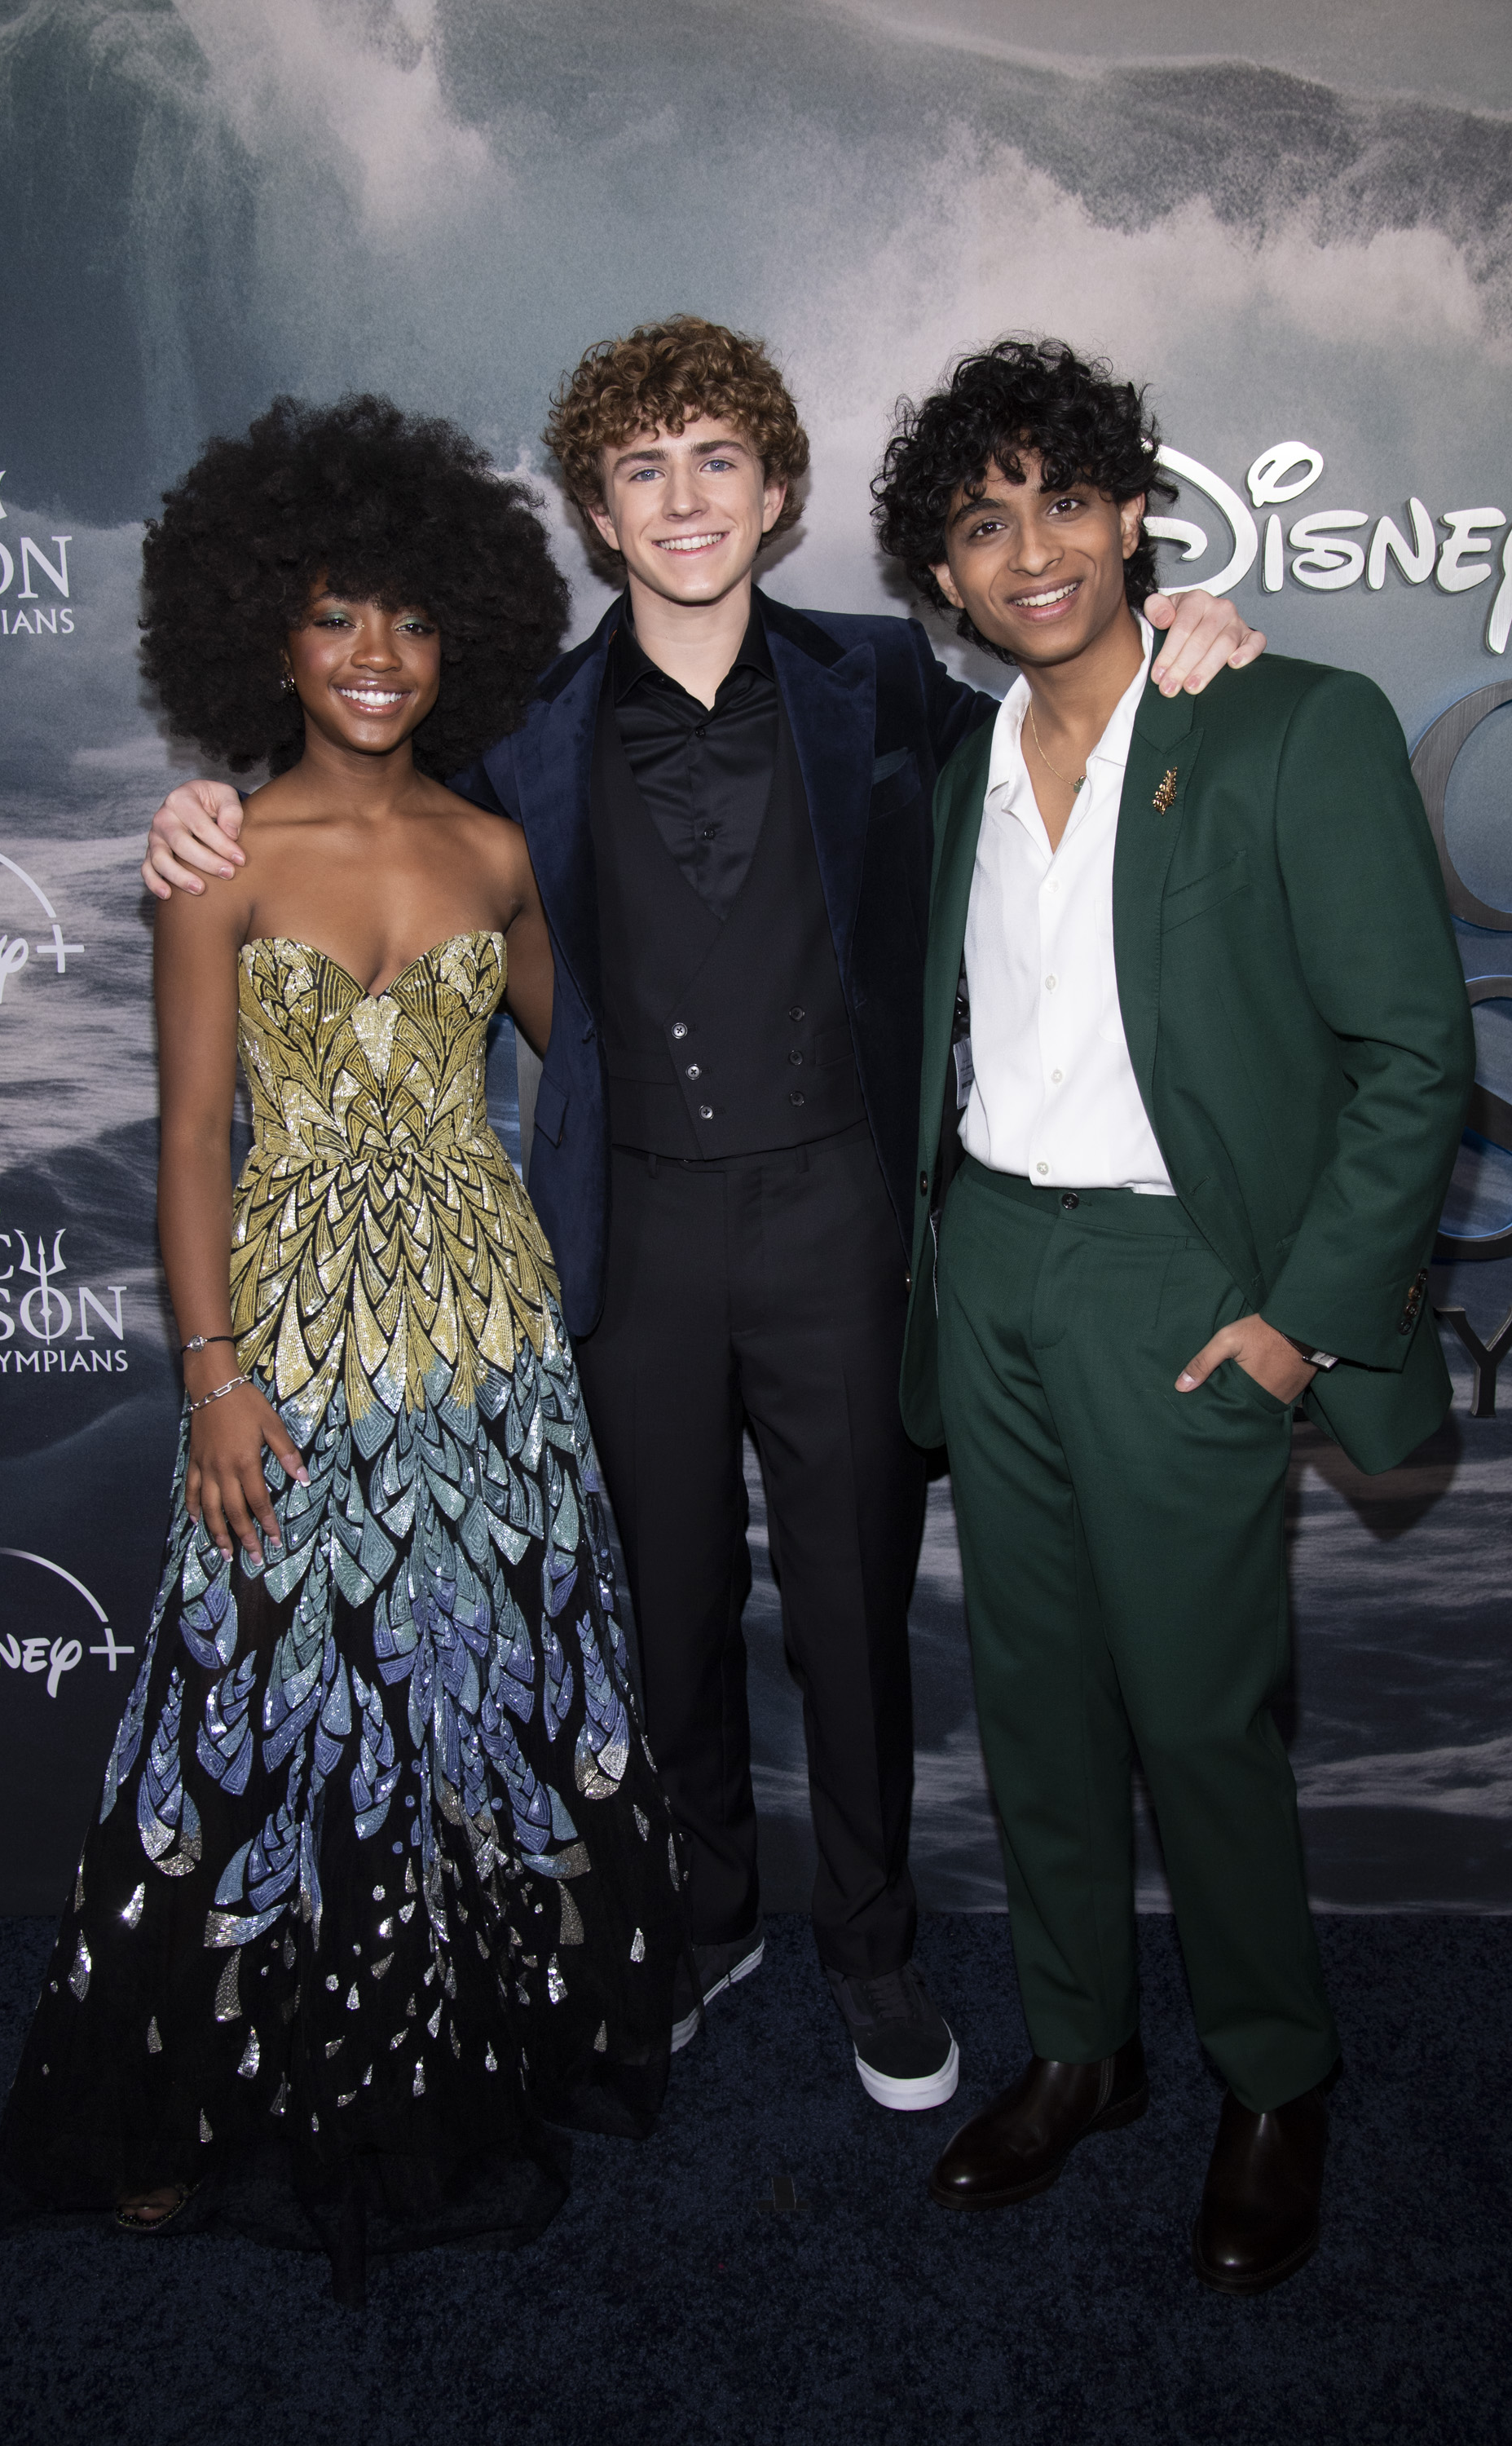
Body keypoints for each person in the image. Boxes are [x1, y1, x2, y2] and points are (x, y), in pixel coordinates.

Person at [140, 318, 1259, 2112]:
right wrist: (205, 801)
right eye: (643, 468)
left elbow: (1073, 727)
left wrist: (1190, 630)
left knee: (851, 1616)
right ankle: (707, 1909)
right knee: (663, 1619)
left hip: (840, 1225)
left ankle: (871, 1946)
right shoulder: (519, 731)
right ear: (597, 512)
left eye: (717, 460)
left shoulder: (883, 679)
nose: (683, 499)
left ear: (776, 490)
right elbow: (356, 808)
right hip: (629, 1241)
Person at [0, 397, 684, 2308]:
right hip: (292, 1346)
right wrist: (212, 1376)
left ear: (463, 635)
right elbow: (187, 1144)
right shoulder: (217, 857)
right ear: (267, 638)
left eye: (412, 618)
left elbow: (598, 1064)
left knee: (479, 1692)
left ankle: (480, 2053)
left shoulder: (497, 850)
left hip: (486, 1342)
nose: (377, 654)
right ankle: (188, 2103)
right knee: (256, 1708)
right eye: (332, 615)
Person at [875, 338, 1473, 2286]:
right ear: (945, 576)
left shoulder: (1288, 719)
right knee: (1033, 1701)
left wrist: (1298, 1320)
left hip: (1181, 1284)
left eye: (1064, 500)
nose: (1031, 549)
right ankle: (1080, 2049)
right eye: (984, 524)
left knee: (1200, 1717)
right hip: (995, 1264)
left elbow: (1412, 1054)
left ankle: (1273, 2075)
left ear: (1135, 513)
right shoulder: (956, 771)